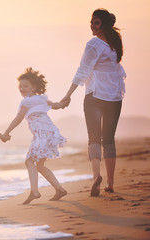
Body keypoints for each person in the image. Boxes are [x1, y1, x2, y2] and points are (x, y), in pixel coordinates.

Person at [61, 9, 126, 196]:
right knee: (109, 139)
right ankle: (111, 183)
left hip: (95, 95)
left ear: (104, 25)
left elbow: (83, 70)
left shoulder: (94, 44)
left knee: (94, 138)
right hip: (114, 96)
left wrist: (68, 94)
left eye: (96, 23)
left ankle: (97, 175)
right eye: (91, 22)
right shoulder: (114, 44)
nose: (92, 26)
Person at [3, 67, 68, 204]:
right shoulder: (42, 99)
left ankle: (34, 191)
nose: (22, 88)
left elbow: (18, 118)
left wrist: (7, 132)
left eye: (25, 86)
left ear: (34, 87)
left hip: (41, 135)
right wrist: (63, 104)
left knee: (29, 161)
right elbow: (55, 105)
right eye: (20, 86)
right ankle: (59, 189)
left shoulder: (26, 102)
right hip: (50, 133)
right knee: (39, 166)